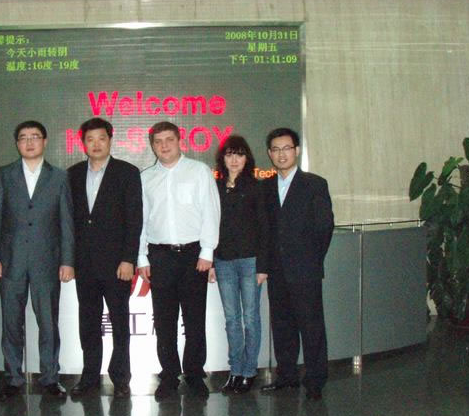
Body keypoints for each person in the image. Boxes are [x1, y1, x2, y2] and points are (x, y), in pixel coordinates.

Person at [0, 120, 75, 401]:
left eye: (35, 137)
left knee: (48, 323)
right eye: (23, 137)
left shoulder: (59, 177)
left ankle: (50, 378)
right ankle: (13, 378)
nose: (29, 142)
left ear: (44, 141)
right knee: (11, 323)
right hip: (11, 261)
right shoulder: (4, 175)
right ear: (17, 143)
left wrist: (67, 260)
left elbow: (66, 222)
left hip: (46, 262)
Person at [137, 121, 221, 399]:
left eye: (169, 140)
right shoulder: (145, 178)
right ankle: (169, 375)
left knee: (194, 319)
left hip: (193, 256)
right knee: (164, 320)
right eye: (158, 141)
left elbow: (211, 212)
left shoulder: (199, 171)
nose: (164, 146)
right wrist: (141, 256)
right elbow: (141, 221)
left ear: (179, 140)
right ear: (152, 145)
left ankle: (195, 373)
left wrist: (207, 252)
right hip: (159, 256)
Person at [68, 117, 142, 398]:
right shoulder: (72, 174)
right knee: (88, 322)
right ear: (83, 143)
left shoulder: (127, 172)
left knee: (120, 321)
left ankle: (121, 378)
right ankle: (89, 376)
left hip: (116, 264)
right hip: (84, 263)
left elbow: (134, 219)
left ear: (110, 140)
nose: (96, 144)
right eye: (90, 139)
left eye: (101, 138)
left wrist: (128, 259)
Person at [260, 127, 334, 400]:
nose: (281, 154)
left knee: (311, 327)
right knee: (282, 327)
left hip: (305, 270)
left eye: (287, 148)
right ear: (269, 154)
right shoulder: (265, 187)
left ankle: (315, 381)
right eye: (276, 149)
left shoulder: (315, 184)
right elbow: (265, 230)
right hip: (277, 270)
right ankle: (287, 377)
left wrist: (312, 260)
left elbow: (324, 227)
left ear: (297, 150)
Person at [208, 135, 269, 394]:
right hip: (223, 261)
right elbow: (209, 226)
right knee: (232, 319)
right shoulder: (215, 188)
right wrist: (211, 261)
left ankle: (249, 371)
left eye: (240, 154)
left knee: (251, 319)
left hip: (250, 261)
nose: (234, 160)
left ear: (247, 158)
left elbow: (265, 228)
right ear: (222, 158)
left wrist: (263, 266)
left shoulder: (256, 187)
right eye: (230, 154)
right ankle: (235, 370)